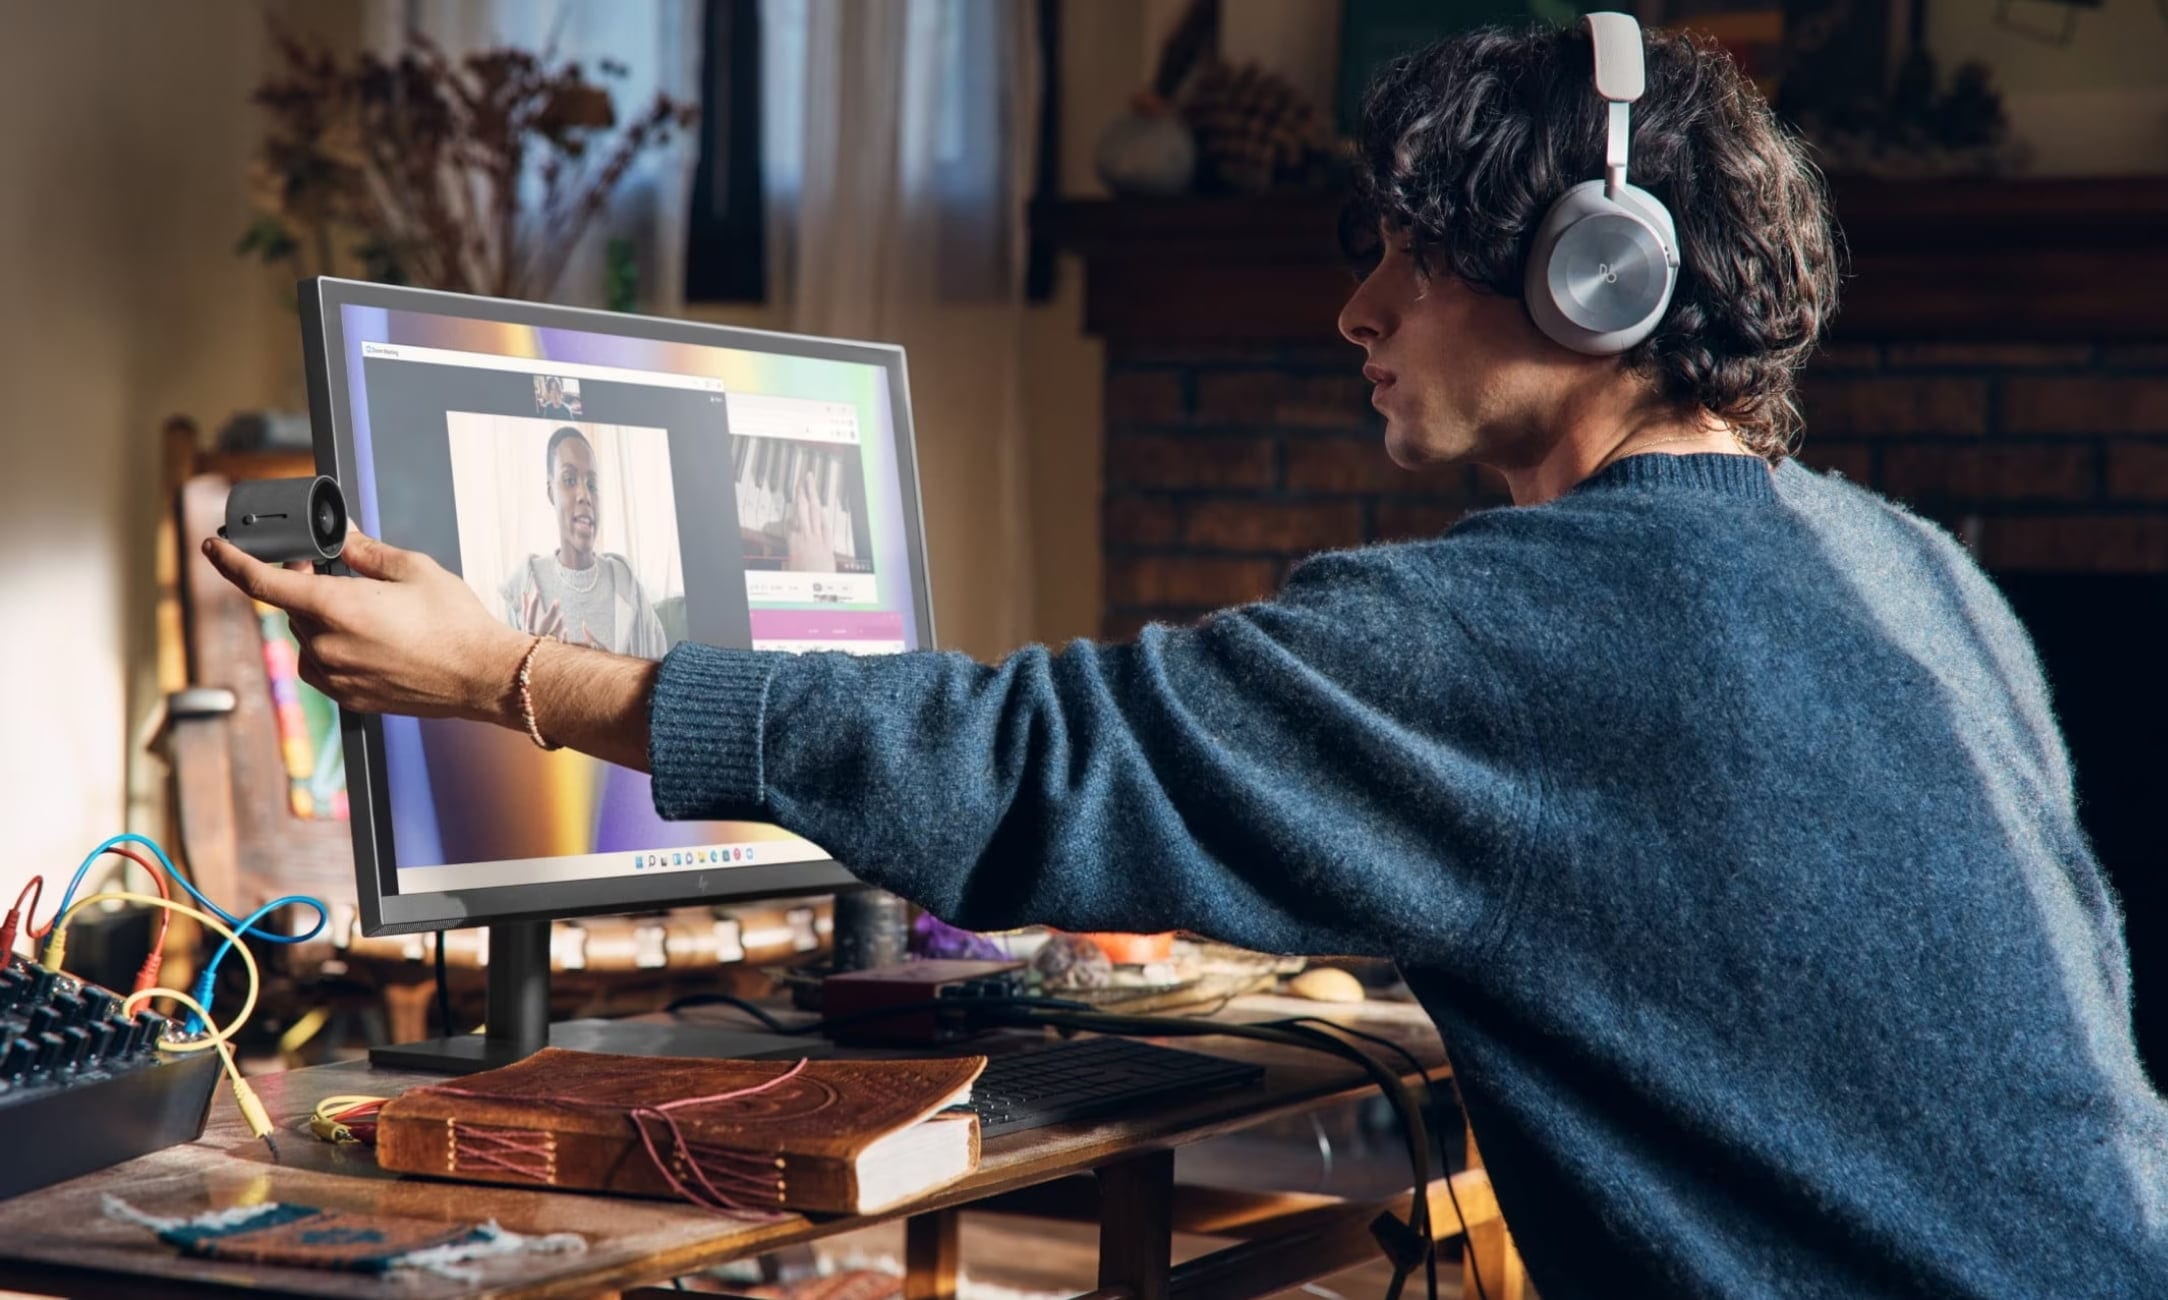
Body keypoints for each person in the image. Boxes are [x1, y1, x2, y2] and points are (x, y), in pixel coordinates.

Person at [205, 21, 2168, 1298]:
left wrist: (509, 670)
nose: (1356, 305)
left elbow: (1023, 758)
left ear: (1592, 282)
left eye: (1407, 253)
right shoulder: (1915, 566)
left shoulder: (1517, 625)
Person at [498, 425, 668, 660]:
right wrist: (533, 663)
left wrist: (615, 673)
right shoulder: (524, 588)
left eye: (592, 485)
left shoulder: (625, 583)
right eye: (569, 480)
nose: (584, 495)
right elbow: (498, 686)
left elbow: (664, 674)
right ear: (551, 492)